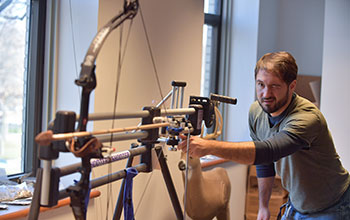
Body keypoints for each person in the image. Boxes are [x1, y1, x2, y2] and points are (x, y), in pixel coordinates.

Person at [178, 51, 350, 220]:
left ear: (292, 86)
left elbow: (269, 151)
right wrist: (263, 207)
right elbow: (264, 162)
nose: (266, 94)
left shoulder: (307, 118)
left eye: (274, 86)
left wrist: (210, 147)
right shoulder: (256, 111)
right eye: (261, 84)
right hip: (297, 204)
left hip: (332, 206)